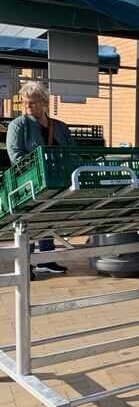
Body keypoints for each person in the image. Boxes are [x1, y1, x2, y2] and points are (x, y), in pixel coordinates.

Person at [6, 81, 75, 275]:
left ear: (45, 103)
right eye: (24, 102)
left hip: (55, 180)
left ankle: (46, 260)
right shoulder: (19, 124)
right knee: (29, 221)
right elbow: (15, 155)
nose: (27, 106)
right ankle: (25, 265)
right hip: (29, 182)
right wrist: (39, 168)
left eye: (33, 102)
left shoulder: (59, 126)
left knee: (48, 219)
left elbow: (72, 151)